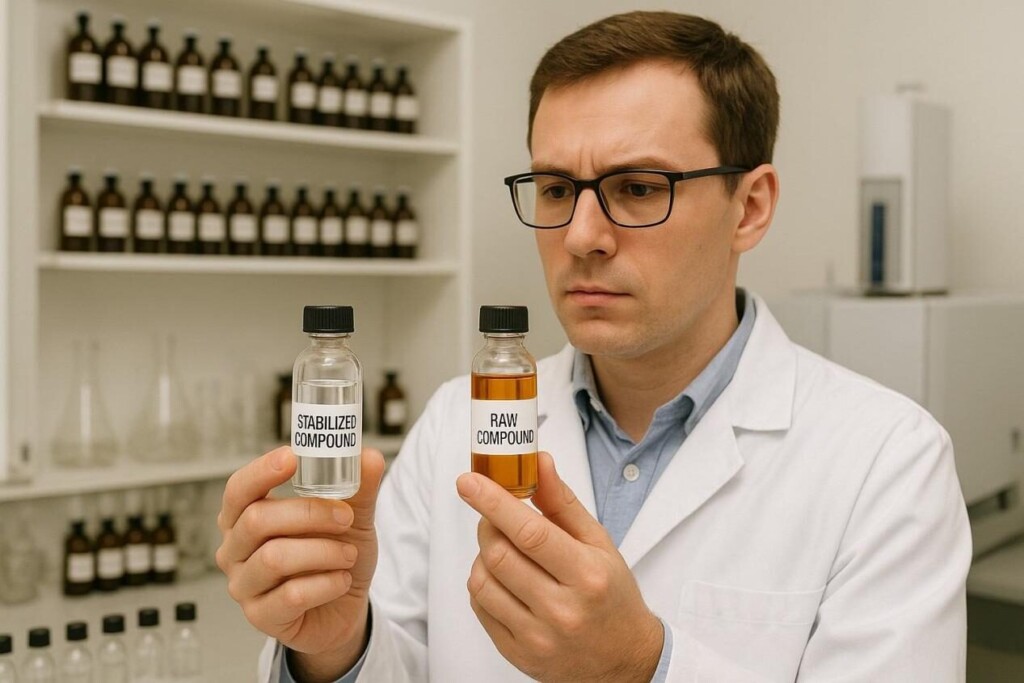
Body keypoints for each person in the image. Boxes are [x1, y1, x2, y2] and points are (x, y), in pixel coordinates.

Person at [217, 11, 972, 682]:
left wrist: (639, 668)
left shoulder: (888, 463)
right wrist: (336, 651)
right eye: (554, 189)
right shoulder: (456, 421)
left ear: (750, 207)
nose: (580, 237)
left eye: (638, 188)